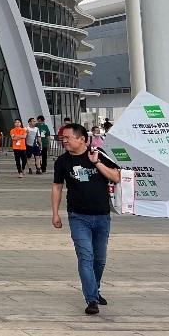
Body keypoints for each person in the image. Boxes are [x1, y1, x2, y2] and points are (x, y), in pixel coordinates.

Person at [51, 122, 121, 315]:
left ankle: (95, 289)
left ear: (82, 139)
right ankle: (91, 299)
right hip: (78, 216)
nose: (64, 141)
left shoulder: (99, 154)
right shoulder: (62, 161)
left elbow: (116, 177)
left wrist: (97, 163)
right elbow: (57, 187)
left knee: (99, 259)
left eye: (68, 138)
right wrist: (55, 213)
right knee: (86, 257)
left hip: (102, 215)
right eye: (63, 138)